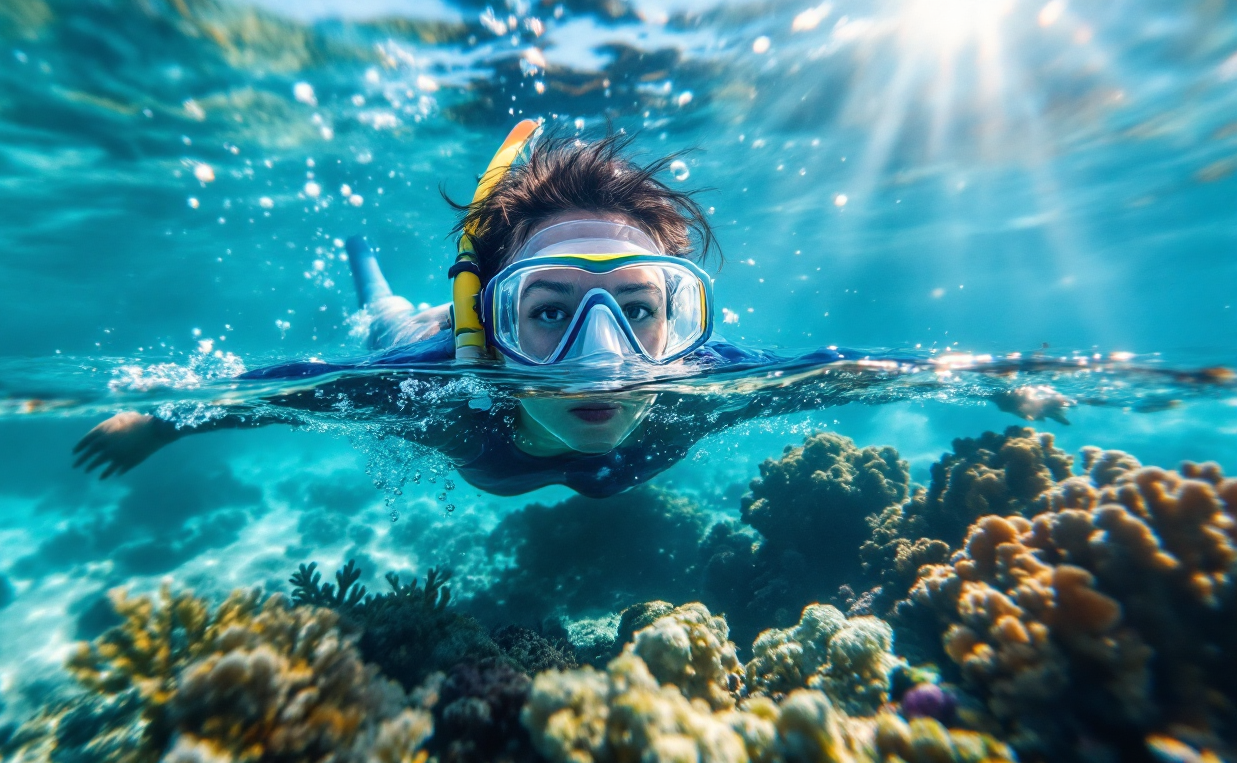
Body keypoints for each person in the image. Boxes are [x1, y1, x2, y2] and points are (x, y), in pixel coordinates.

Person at [73, 122, 1064, 497]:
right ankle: (367, 270)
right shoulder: (433, 379)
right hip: (418, 333)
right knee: (379, 321)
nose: (604, 359)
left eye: (637, 309)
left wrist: (985, 384)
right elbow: (276, 392)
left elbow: (850, 366)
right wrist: (159, 422)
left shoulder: (700, 379)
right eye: (549, 312)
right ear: (491, 323)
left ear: (681, 320)